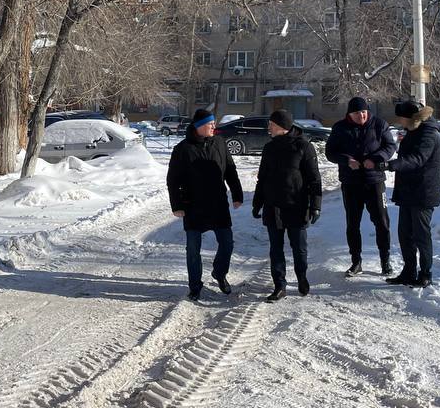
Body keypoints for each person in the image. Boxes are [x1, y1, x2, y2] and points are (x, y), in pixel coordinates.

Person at [167, 108, 243, 300]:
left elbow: (230, 170)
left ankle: (219, 273)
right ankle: (195, 286)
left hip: (218, 203)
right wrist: (177, 205)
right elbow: (173, 180)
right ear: (199, 127)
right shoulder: (182, 149)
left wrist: (237, 193)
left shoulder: (219, 143)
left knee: (227, 243)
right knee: (193, 249)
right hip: (193, 205)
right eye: (210, 124)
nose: (214, 127)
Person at [251, 109, 322, 302]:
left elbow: (314, 179)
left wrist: (316, 205)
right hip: (273, 206)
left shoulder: (303, 147)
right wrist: (257, 203)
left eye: (271, 125)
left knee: (299, 247)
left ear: (282, 126)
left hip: (297, 205)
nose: (269, 128)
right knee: (276, 248)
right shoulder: (269, 148)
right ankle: (279, 285)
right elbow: (262, 179)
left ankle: (301, 277)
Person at [325, 96, 397, 277]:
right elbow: (330, 152)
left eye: (364, 112)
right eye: (357, 113)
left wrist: (376, 159)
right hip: (351, 183)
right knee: (352, 223)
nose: (362, 116)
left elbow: (390, 146)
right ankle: (356, 262)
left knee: (382, 222)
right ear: (350, 114)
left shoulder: (379, 124)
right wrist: (346, 161)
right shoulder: (340, 128)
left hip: (375, 181)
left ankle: (385, 261)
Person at [375, 99, 440, 288]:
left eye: (401, 118)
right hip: (408, 191)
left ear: (411, 118)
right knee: (405, 234)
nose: (399, 122)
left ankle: (425, 273)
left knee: (421, 235)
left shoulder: (428, 133)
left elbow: (417, 159)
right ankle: (409, 271)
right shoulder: (414, 130)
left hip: (423, 192)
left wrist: (391, 165)